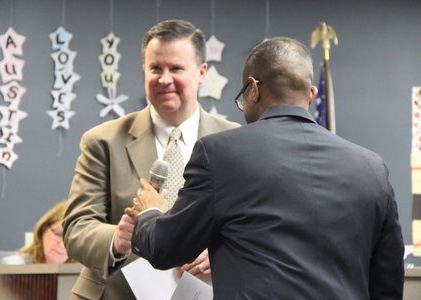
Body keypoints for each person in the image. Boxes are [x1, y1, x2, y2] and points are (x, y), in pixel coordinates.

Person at [127, 37, 405, 299]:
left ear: (254, 89)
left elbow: (166, 248)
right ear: (310, 95)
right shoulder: (372, 169)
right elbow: (387, 283)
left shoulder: (219, 154)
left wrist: (151, 212)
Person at [62, 19, 238, 299]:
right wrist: (116, 240)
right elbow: (76, 228)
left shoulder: (234, 141)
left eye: (176, 68)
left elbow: (254, 229)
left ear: (202, 72)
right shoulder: (103, 141)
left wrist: (222, 253)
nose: (165, 79)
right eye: (156, 68)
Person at [2, 200, 71, 264]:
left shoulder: (80, 270)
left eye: (70, 238)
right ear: (43, 229)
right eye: (58, 234)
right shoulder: (14, 267)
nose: (62, 245)